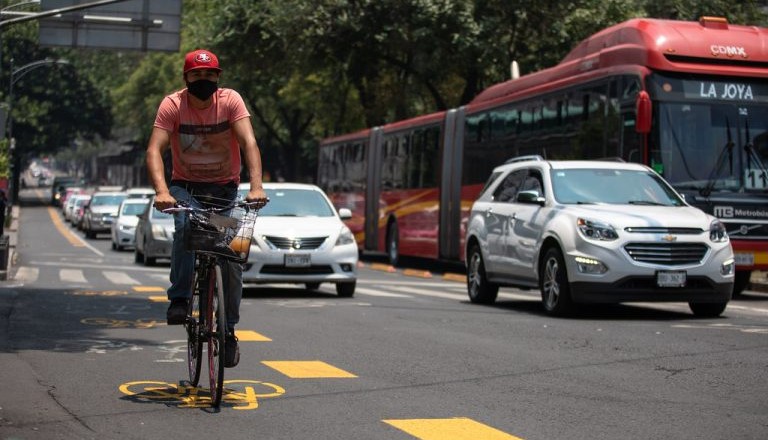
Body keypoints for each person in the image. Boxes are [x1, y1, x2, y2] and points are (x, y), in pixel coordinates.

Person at [146, 49, 268, 368]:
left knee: (232, 257)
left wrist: (256, 186)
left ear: (218, 77)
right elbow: (154, 150)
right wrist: (162, 192)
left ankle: (228, 331)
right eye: (197, 76)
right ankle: (180, 299)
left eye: (209, 75)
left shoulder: (230, 101)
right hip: (185, 189)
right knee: (186, 228)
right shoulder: (172, 105)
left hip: (225, 191)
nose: (204, 80)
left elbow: (249, 144)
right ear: (186, 78)